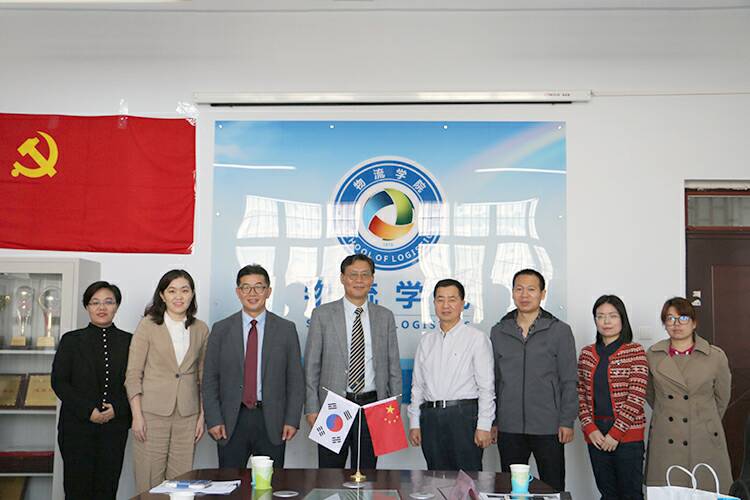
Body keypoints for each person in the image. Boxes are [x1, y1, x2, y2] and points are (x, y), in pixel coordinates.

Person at [304, 253, 402, 469]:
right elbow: (311, 367)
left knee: (367, 474)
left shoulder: (385, 316)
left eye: (365, 275)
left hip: (374, 406)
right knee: (330, 473)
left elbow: (393, 367)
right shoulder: (322, 314)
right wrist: (311, 407)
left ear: (372, 279)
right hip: (333, 405)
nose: (359, 280)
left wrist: (393, 409)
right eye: (353, 275)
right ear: (342, 278)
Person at [202, 264, 304, 467]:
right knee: (230, 482)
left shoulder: (286, 329)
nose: (252, 293)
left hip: (272, 421)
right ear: (238, 292)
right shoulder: (221, 329)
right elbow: (210, 379)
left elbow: (295, 380)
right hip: (231, 421)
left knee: (270, 482)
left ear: (268, 291)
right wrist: (213, 419)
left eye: (259, 287)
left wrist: (292, 419)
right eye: (246, 287)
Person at [490, 268, 577, 492]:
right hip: (509, 425)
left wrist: (567, 420)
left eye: (531, 289)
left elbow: (569, 380)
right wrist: (493, 421)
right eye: (519, 289)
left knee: (553, 486)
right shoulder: (499, 331)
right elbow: (494, 380)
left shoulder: (560, 330)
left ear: (542, 293)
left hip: (548, 425)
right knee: (512, 487)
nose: (524, 295)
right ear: (512, 293)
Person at [125, 269, 209, 494]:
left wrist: (202, 415)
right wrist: (137, 415)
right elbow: (133, 373)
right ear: (162, 295)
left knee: (181, 483)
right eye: (172, 291)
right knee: (149, 481)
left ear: (192, 294)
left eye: (184, 290)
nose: (178, 296)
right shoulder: (148, 325)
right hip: (151, 414)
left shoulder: (201, 329)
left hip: (188, 415)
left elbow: (203, 376)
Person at [51, 281, 131, 500]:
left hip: (114, 429)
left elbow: (137, 383)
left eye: (108, 302)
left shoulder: (129, 341)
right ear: (87, 306)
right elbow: (59, 382)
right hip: (76, 428)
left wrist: (118, 409)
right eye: (95, 302)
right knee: (77, 490)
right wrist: (88, 411)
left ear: (117, 306)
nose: (101, 307)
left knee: (107, 489)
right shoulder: (71, 340)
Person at [645, 297, 732, 493]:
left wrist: (705, 420)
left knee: (707, 490)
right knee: (668, 492)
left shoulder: (715, 356)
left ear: (694, 323)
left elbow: (722, 397)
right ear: (664, 324)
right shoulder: (653, 355)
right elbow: (650, 394)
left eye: (683, 318)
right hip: (667, 434)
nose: (676, 324)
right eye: (670, 319)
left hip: (704, 435)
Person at [408, 279, 495, 471]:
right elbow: (418, 386)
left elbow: (486, 387)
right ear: (434, 304)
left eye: (452, 299)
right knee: (435, 477)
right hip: (431, 417)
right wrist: (414, 422)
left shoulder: (476, 339)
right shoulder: (426, 341)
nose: (446, 305)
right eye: (440, 300)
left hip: (463, 417)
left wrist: (484, 425)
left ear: (462, 303)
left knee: (468, 478)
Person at [577, 295, 648, 500]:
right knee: (607, 494)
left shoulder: (635, 351)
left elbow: (636, 396)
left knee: (630, 494)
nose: (606, 321)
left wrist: (616, 433)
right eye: (600, 316)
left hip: (628, 435)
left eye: (612, 316)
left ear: (622, 319)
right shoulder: (587, 354)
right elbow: (580, 394)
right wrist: (589, 428)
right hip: (596, 435)